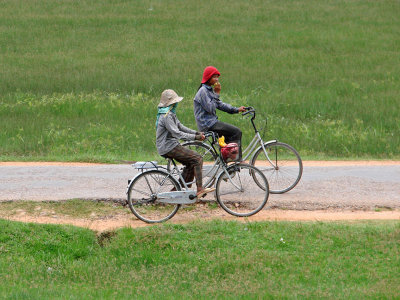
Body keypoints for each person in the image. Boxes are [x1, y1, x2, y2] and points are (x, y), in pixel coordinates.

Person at [156, 89, 215, 198]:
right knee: (197, 158)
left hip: (170, 145)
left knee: (190, 163)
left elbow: (181, 126)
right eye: (175, 102)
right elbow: (177, 133)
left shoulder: (170, 114)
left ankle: (177, 190)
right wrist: (195, 137)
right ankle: (199, 189)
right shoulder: (166, 116)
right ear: (172, 103)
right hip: (168, 147)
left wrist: (196, 133)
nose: (176, 104)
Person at [193, 66, 246, 161]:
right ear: (208, 78)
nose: (216, 79)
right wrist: (217, 93)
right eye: (214, 77)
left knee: (228, 136)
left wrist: (236, 110)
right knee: (236, 132)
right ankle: (235, 160)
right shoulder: (203, 92)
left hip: (212, 122)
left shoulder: (209, 90)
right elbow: (210, 108)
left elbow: (220, 104)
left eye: (217, 77)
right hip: (207, 124)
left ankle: (225, 160)